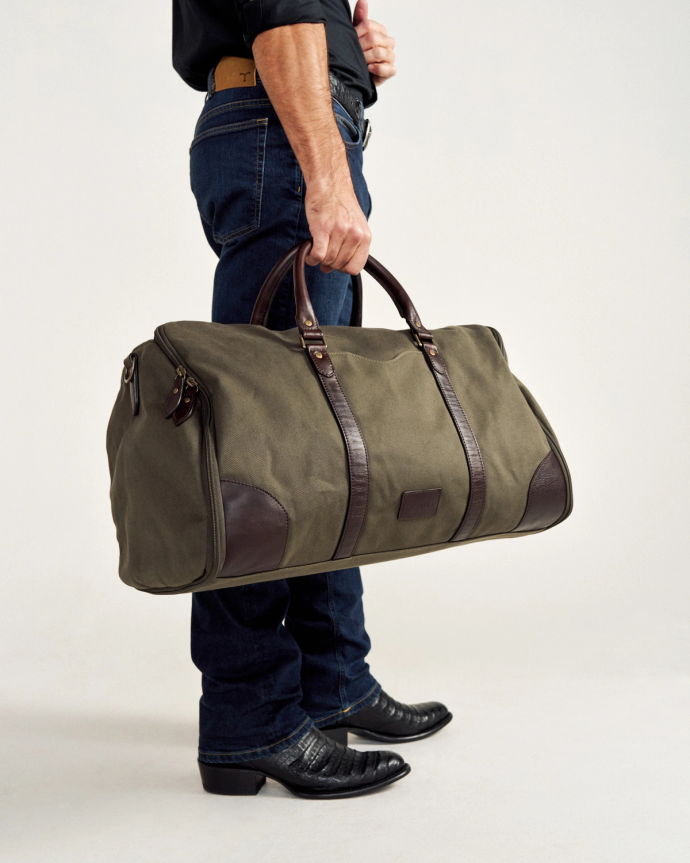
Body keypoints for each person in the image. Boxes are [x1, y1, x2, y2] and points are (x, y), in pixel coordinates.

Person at [172, 0, 452, 799]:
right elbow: (279, 13)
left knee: (325, 440)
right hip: (283, 137)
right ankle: (249, 715)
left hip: (288, 129)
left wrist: (351, 59)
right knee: (263, 449)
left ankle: (333, 679)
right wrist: (326, 178)